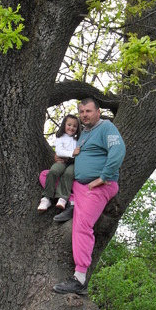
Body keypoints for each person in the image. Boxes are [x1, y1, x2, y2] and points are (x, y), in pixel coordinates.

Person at [53, 98, 126, 295]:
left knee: (82, 224)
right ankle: (72, 202)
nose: (84, 114)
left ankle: (79, 278)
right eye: (81, 111)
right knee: (47, 176)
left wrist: (103, 177)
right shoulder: (83, 134)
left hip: (98, 187)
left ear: (98, 112)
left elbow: (118, 151)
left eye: (88, 111)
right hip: (78, 185)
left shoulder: (106, 128)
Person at [38, 114, 81, 211]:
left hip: (73, 163)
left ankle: (63, 198)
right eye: (69, 125)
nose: (72, 128)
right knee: (53, 171)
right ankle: (46, 198)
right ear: (64, 125)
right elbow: (59, 152)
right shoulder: (60, 138)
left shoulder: (78, 139)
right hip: (62, 160)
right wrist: (72, 153)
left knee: (69, 173)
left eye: (75, 126)